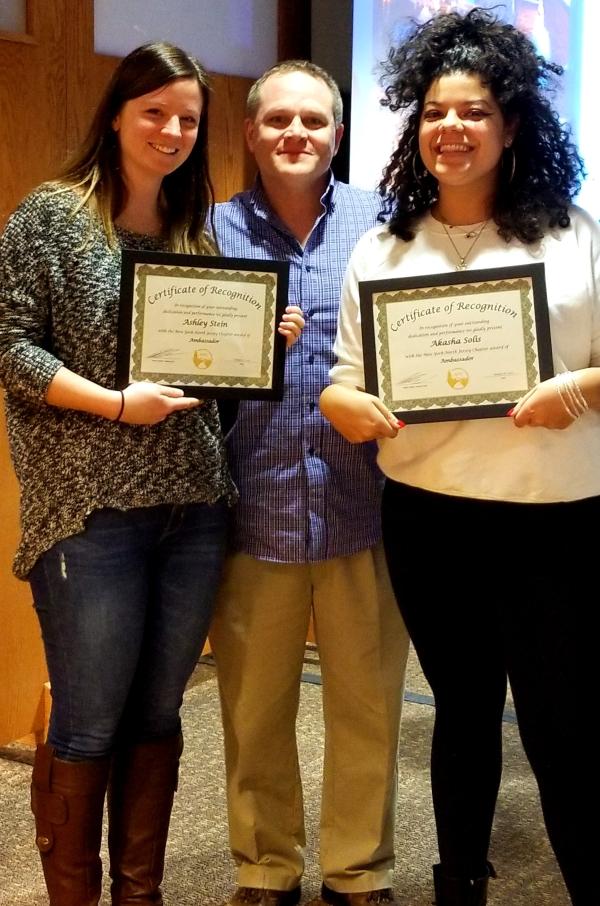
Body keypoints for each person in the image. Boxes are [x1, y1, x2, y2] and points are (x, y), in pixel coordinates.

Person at [0, 41, 299, 906]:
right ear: (119, 113)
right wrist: (111, 402)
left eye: (188, 119)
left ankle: (141, 895)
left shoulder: (189, 230)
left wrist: (254, 350)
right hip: (91, 512)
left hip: (193, 507)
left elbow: (199, 379)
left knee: (157, 718)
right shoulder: (53, 217)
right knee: (90, 723)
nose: (171, 130)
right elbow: (9, 344)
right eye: (154, 111)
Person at [320, 9, 597, 906]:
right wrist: (346, 407)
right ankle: (459, 885)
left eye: (473, 111)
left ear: (511, 124)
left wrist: (582, 391)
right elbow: (343, 380)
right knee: (462, 711)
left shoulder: (575, 237)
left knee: (563, 721)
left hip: (556, 516)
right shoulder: (385, 247)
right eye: (436, 112)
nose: (452, 129)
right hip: (429, 513)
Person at [208, 60, 410, 906]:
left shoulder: (386, 222)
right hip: (254, 510)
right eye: (279, 120)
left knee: (367, 708)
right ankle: (266, 867)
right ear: (251, 131)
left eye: (315, 123)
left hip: (364, 507)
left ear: (337, 133)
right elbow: (180, 365)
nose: (297, 135)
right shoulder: (210, 230)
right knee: (254, 714)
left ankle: (356, 869)